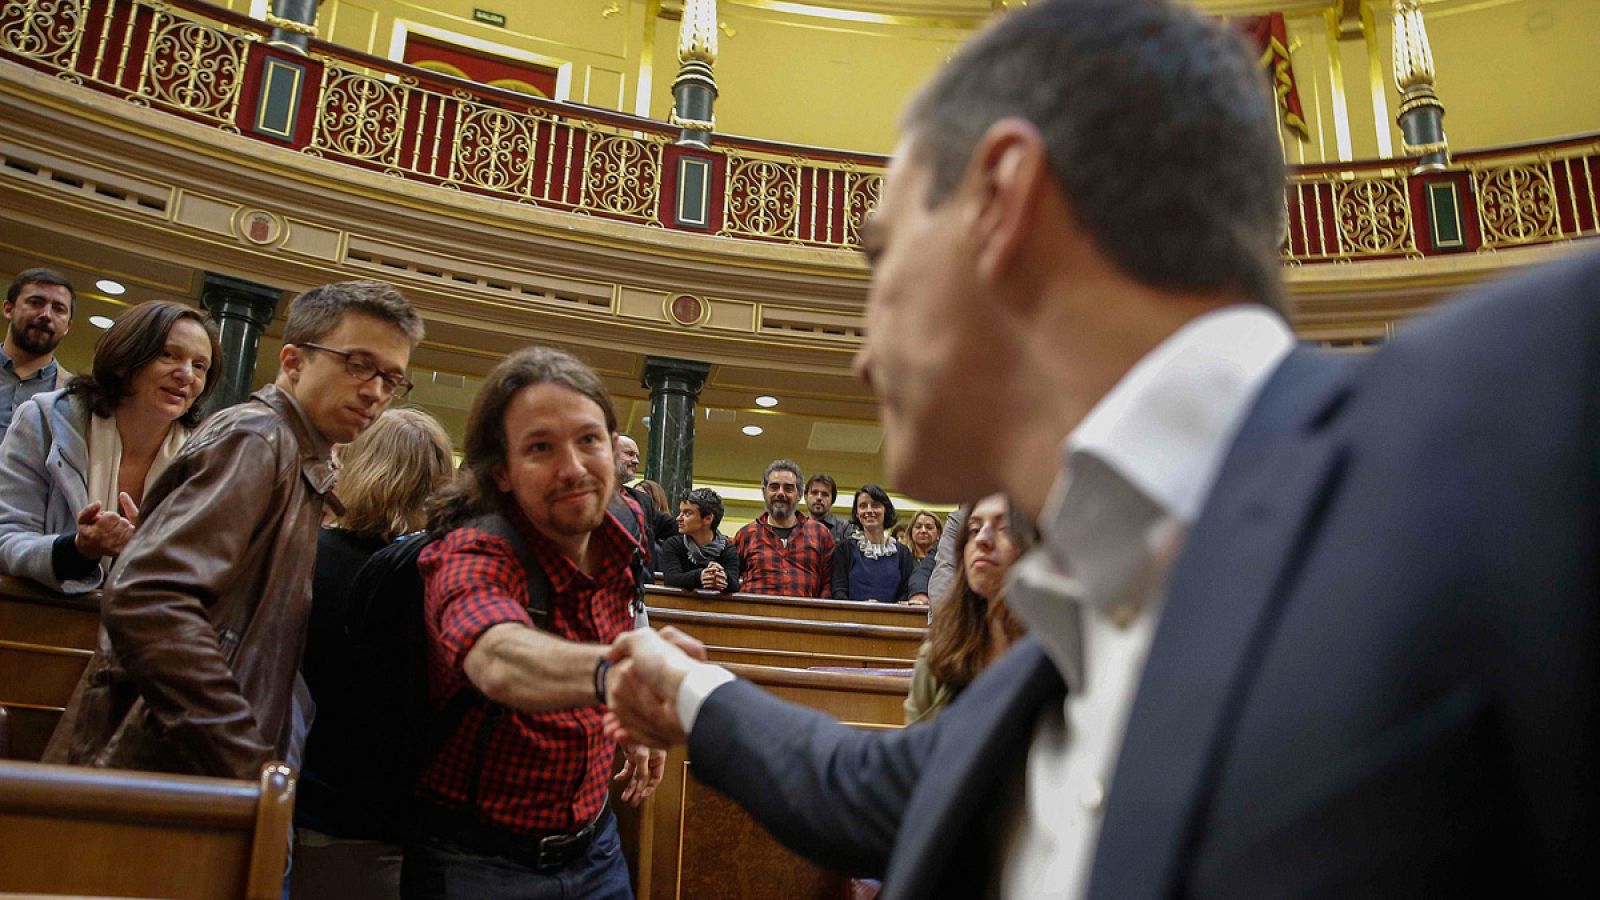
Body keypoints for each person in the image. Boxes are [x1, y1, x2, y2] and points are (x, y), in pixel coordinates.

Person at [604, 1, 1600, 897]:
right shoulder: (1049, 665)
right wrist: (681, 685)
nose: (862, 351)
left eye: (881, 253)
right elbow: (850, 783)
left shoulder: (1537, 406)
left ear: (1002, 198)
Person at [45, 280, 422, 779]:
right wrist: (243, 757)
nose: (375, 391)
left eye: (391, 379)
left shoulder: (290, 450)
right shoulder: (256, 440)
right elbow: (150, 599)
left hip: (185, 766)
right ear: (293, 361)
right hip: (162, 769)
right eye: (357, 364)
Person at [405, 346, 662, 899]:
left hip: (596, 847)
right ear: (502, 471)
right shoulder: (472, 550)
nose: (574, 469)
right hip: (477, 862)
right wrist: (620, 678)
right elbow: (497, 657)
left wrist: (629, 722)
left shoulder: (623, 526)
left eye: (589, 440)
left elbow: (613, 622)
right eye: (541, 447)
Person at [293, 407, 455, 900]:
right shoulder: (449, 573)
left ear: (358, 464)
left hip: (315, 806)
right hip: (414, 816)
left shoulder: (305, 553)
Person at [0, 301, 220, 594]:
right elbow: (6, 538)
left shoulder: (206, 456)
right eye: (168, 355)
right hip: (40, 614)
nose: (186, 375)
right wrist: (78, 550)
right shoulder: (43, 421)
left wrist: (155, 554)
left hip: (145, 618)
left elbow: (211, 568)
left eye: (200, 366)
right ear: (123, 361)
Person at [904, 494, 1029, 725]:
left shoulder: (1063, 653)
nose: (982, 538)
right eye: (974, 529)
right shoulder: (938, 655)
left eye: (1004, 528)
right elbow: (915, 744)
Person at [733, 459, 834, 598]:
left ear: (799, 494)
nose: (780, 493)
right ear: (764, 492)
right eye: (774, 487)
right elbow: (731, 579)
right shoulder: (746, 535)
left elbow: (828, 583)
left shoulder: (820, 534)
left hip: (803, 612)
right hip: (755, 612)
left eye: (788, 488)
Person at [1, 268, 75, 444]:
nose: (46, 315)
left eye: (58, 309)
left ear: (68, 326)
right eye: (36, 303)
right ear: (9, 309)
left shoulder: (76, 398)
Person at [831, 484, 913, 603]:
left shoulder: (903, 553)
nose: (869, 510)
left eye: (875, 505)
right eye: (863, 506)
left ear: (886, 510)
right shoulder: (844, 549)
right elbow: (839, 591)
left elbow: (905, 592)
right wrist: (862, 608)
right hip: (854, 614)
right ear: (857, 513)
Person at [659, 487, 740, 594]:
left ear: (708, 519)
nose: (679, 518)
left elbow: (734, 584)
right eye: (680, 512)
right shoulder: (673, 544)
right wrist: (700, 576)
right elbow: (671, 579)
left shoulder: (728, 549)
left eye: (687, 513)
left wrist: (721, 576)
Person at [614, 434, 677, 557]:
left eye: (637, 456)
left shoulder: (643, 500)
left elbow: (673, 528)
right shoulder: (586, 495)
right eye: (629, 454)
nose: (636, 461)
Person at [804, 473, 852, 543]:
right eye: (814, 493)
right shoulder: (797, 528)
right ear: (806, 496)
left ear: (832, 500)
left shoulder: (845, 528)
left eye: (825, 494)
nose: (819, 498)